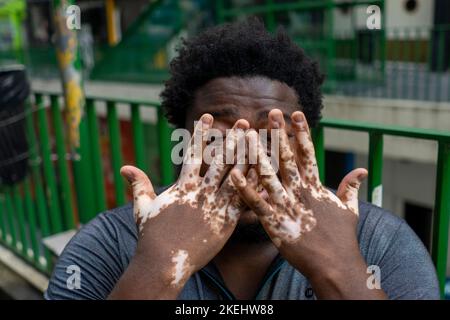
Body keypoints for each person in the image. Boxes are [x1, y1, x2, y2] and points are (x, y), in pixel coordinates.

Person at [45, 18, 439, 300]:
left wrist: (337, 269)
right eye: (220, 135)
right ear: (184, 139)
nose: (249, 157)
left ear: (304, 145)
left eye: (271, 135)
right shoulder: (110, 244)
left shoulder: (378, 243)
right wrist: (160, 268)